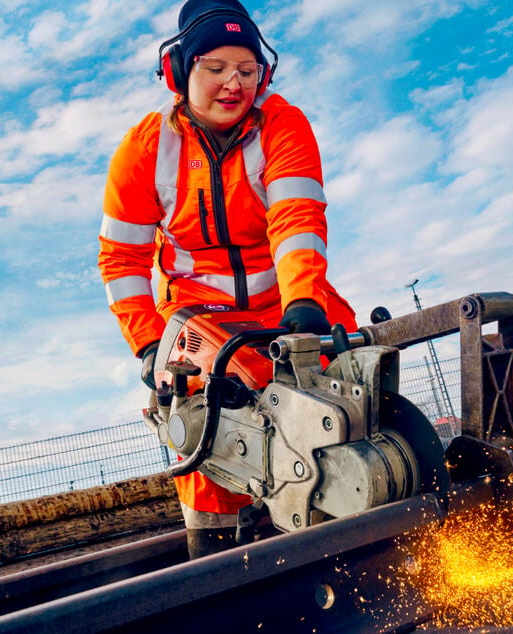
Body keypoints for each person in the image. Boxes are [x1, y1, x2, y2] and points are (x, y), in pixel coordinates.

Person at [98, 0, 356, 559]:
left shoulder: (283, 124)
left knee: (347, 385)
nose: (232, 84)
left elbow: (296, 220)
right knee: (203, 427)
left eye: (246, 70)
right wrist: (147, 344)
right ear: (179, 72)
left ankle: (353, 524)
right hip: (196, 321)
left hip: (288, 304)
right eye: (215, 69)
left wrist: (305, 306)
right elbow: (121, 258)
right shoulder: (146, 149)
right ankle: (217, 563)